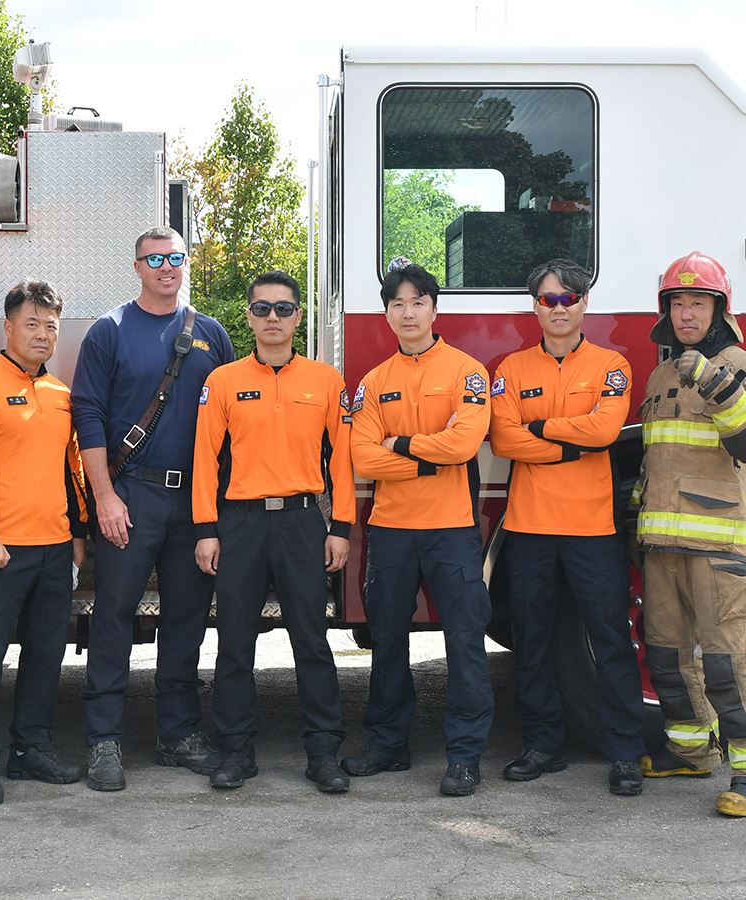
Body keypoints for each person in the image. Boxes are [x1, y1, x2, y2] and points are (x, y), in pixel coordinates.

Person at [71, 226, 234, 791]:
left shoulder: (211, 333)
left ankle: (178, 733)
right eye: (155, 259)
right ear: (137, 266)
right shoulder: (109, 331)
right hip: (131, 495)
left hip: (196, 500)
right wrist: (105, 496)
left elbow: (231, 421)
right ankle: (104, 741)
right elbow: (87, 415)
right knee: (114, 617)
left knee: (188, 618)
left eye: (176, 258)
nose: (167, 267)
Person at [192, 270, 354, 793]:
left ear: (299, 317)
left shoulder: (327, 382)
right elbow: (203, 460)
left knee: (311, 640)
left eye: (283, 309)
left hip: (303, 522)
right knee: (235, 644)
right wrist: (206, 529)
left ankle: (324, 752)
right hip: (239, 524)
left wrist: (341, 527)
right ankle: (235, 751)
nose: (273, 319)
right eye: (261, 309)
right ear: (248, 317)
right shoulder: (222, 381)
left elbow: (344, 461)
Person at [635, 251, 746, 817]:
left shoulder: (742, 367)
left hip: (720, 546)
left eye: (698, 302)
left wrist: (717, 383)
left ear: (719, 309)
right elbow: (656, 459)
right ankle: (689, 750)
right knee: (670, 657)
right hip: (664, 546)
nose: (686, 313)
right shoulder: (660, 374)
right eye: (677, 302)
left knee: (729, 659)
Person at [489, 258, 645, 796]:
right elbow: (504, 442)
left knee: (610, 640)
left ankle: (626, 753)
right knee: (531, 641)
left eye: (569, 298)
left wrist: (539, 430)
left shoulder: (611, 365)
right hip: (529, 529)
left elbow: (604, 432)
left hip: (592, 528)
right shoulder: (510, 368)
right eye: (549, 299)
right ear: (535, 306)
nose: (559, 308)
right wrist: (568, 443)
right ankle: (542, 746)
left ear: (584, 304)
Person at [343, 260, 494, 797]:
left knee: (465, 643)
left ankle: (464, 756)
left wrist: (400, 446)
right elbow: (362, 458)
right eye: (397, 304)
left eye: (417, 302)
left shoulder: (467, 372)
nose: (407, 313)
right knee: (386, 643)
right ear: (386, 314)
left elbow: (463, 445)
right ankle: (388, 746)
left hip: (451, 531)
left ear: (434, 308)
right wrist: (432, 455)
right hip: (390, 531)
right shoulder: (374, 382)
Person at [0, 280, 87, 805]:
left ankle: (30, 749)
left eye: (51, 325)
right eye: (32, 323)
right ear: (7, 327)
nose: (42, 334)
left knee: (47, 656)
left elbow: (71, 471)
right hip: (0, 551)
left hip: (53, 548)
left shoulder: (60, 395)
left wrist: (75, 534)